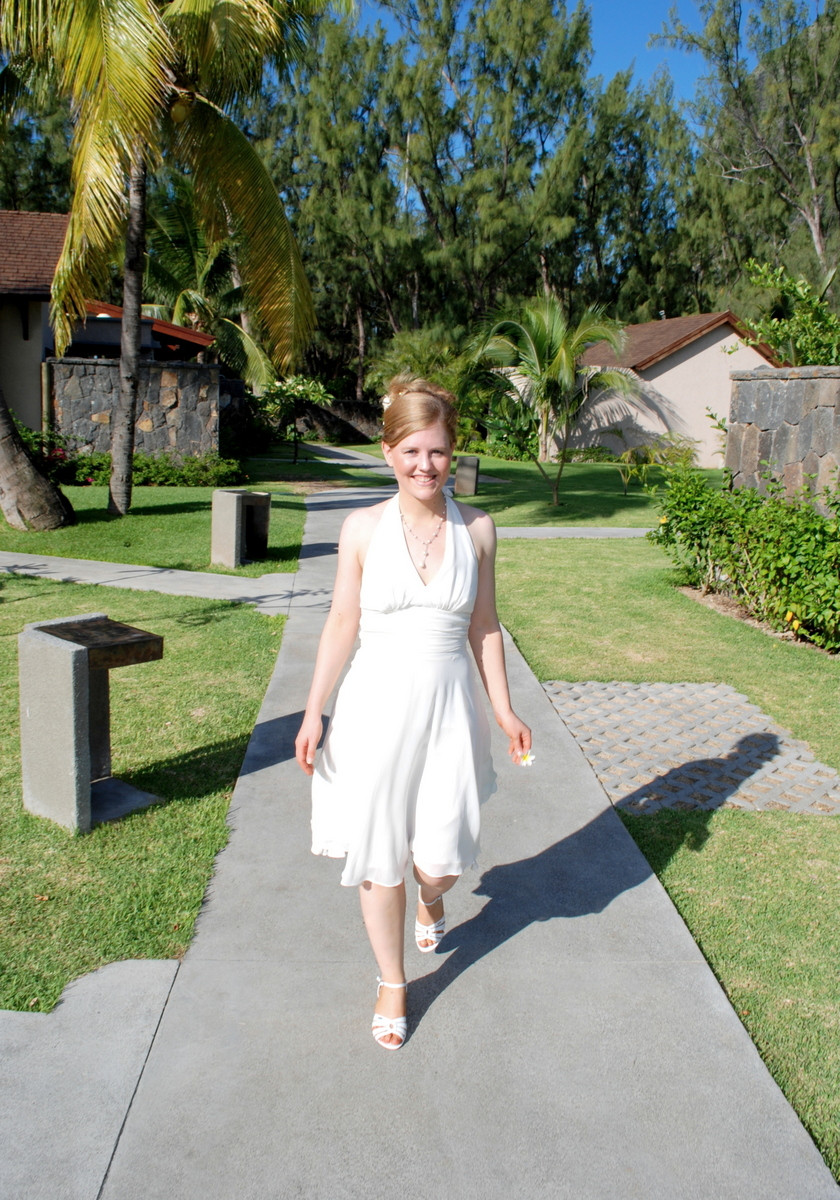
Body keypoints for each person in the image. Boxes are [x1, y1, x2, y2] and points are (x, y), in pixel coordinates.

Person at [294, 376, 531, 1050]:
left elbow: (485, 627)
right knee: (378, 855)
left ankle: (433, 898)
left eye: (438, 452)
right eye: (412, 452)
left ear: (453, 454)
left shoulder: (478, 530)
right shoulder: (362, 528)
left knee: (442, 857)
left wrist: (506, 710)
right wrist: (314, 712)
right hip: (372, 711)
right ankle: (393, 981)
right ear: (387, 451)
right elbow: (342, 622)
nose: (425, 466)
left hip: (450, 712)